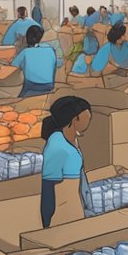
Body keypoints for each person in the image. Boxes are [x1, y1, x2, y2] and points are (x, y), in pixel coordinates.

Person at [39, 96, 93, 228]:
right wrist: (47, 223)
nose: (90, 118)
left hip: (76, 207)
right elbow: (48, 188)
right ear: (75, 119)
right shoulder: (57, 147)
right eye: (87, 115)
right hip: (63, 215)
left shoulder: (73, 138)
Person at [12, 25, 58, 97]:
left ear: (27, 38)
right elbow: (55, 65)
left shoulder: (25, 52)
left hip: (31, 85)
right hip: (49, 85)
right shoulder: (50, 50)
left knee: (18, 99)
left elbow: (13, 66)